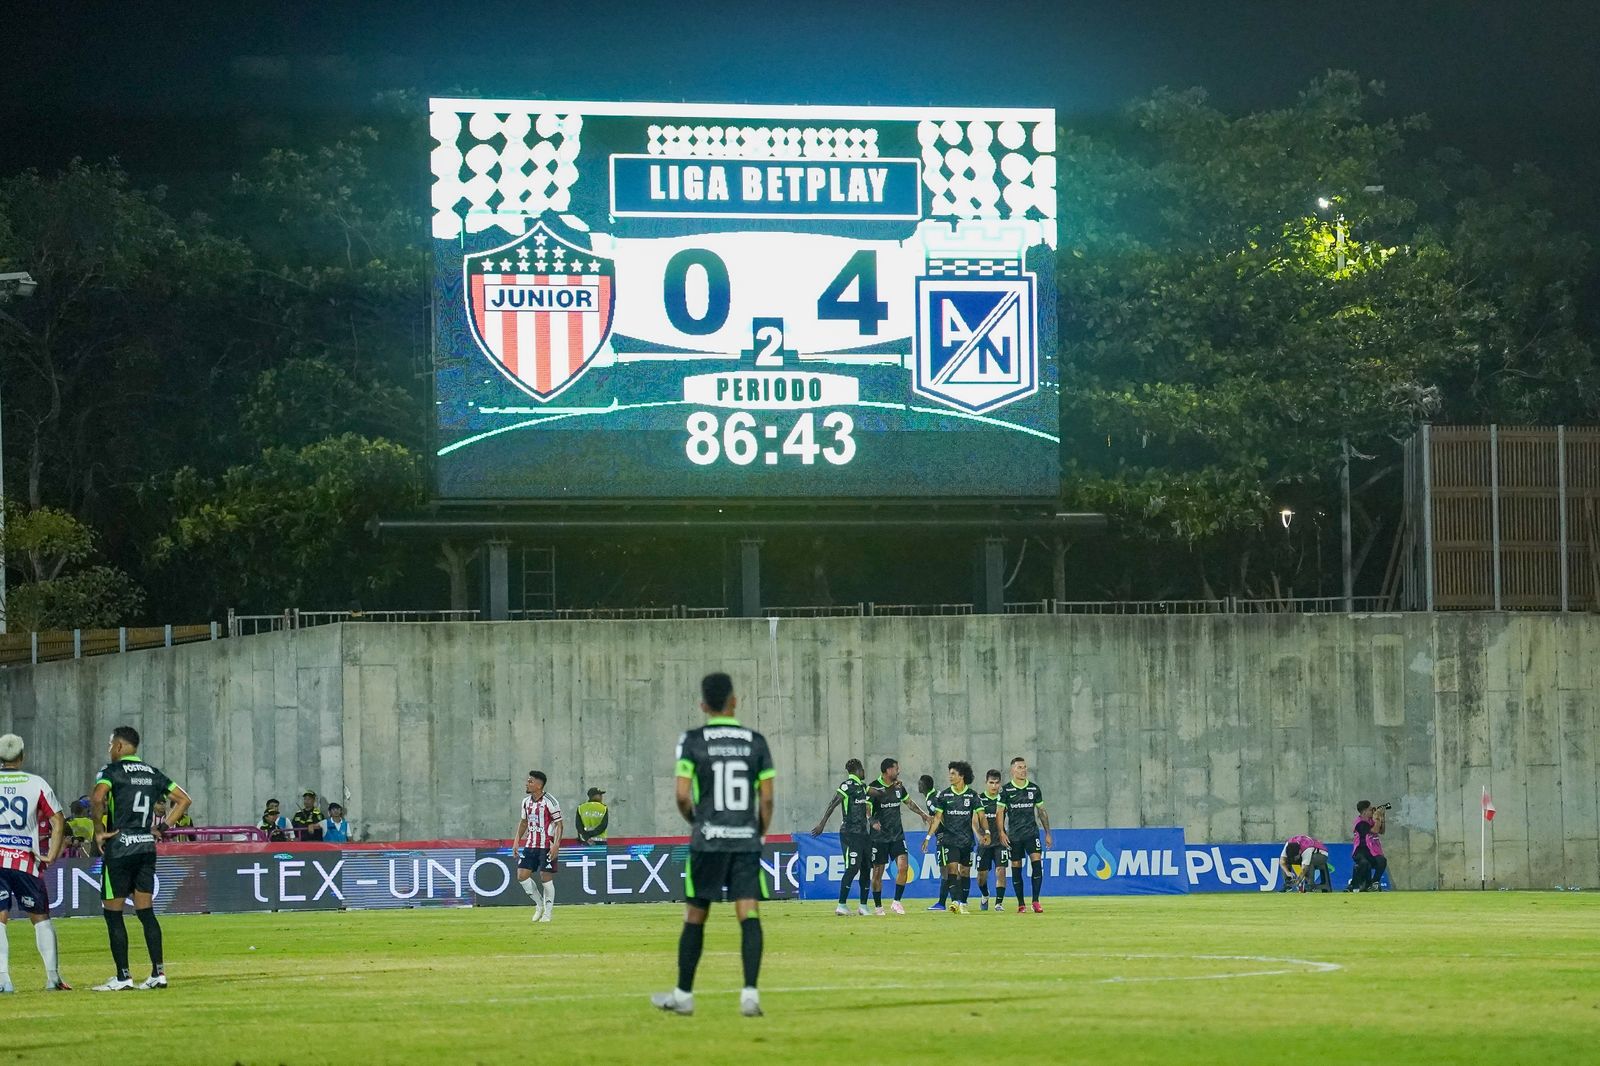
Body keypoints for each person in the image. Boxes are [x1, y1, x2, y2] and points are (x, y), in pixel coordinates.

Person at [652, 672, 774, 1019]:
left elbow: (680, 794)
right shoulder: (756, 742)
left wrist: (698, 822)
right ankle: (749, 995)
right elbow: (766, 801)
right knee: (748, 912)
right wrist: (758, 834)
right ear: (734, 701)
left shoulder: (692, 740)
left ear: (703, 705)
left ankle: (683, 995)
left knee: (694, 915)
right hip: (744, 841)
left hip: (707, 841)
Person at [90, 725, 191, 991]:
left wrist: (99, 831)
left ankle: (123, 977)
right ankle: (158, 973)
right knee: (146, 912)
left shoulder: (111, 771)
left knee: (113, 914)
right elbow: (183, 800)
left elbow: (98, 797)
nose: (110, 749)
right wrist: (162, 828)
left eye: (111, 744)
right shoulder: (152, 772)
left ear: (120, 746)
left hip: (121, 845)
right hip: (146, 844)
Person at [0, 733, 70, 993]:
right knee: (40, 917)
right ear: (22, 756)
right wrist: (51, 853)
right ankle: (53, 977)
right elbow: (58, 820)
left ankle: (3, 980)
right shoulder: (35, 782)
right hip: (25, 861)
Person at [810, 758, 873, 916]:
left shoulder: (862, 787)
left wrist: (892, 787)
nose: (864, 772)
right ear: (858, 770)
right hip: (850, 833)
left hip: (863, 833)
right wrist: (822, 824)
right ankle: (841, 905)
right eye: (863, 769)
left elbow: (878, 792)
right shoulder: (847, 786)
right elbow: (833, 803)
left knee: (866, 868)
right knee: (853, 867)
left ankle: (863, 906)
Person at [865, 758, 928, 915]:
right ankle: (878, 907)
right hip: (879, 838)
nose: (898, 771)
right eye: (896, 768)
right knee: (878, 872)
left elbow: (909, 802)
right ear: (888, 770)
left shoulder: (899, 787)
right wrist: (872, 821)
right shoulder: (874, 788)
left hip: (897, 835)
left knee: (903, 867)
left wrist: (923, 814)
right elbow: (866, 808)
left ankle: (896, 902)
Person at [920, 761, 983, 915]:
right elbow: (938, 817)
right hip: (949, 839)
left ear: (961, 776)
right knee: (950, 869)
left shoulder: (933, 798)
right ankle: (953, 901)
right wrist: (929, 835)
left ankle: (953, 902)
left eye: (953, 773)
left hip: (958, 839)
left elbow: (939, 819)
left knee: (957, 871)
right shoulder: (942, 795)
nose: (950, 776)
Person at [999, 756, 1052, 913]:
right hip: (1014, 836)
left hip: (1031, 833)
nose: (1023, 770)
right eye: (1020, 767)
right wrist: (1001, 832)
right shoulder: (1006, 790)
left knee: (1037, 863)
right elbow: (999, 812)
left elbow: (1041, 811)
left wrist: (1048, 833)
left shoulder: (1034, 789)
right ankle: (1021, 904)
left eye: (1024, 767)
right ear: (1012, 770)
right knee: (1016, 866)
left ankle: (1035, 901)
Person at [513, 771, 562, 922]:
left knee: (545, 878)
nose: (527, 784)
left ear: (539, 785)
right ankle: (539, 904)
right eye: (528, 781)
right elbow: (523, 822)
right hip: (530, 845)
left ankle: (548, 913)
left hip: (546, 845)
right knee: (522, 876)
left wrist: (556, 846)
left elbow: (559, 824)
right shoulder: (526, 802)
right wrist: (516, 841)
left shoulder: (550, 801)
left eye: (530, 781)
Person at [975, 769, 1010, 911]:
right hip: (985, 842)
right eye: (991, 783)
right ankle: (985, 894)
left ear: (1000, 784)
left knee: (1001, 870)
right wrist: (979, 837)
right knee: (981, 876)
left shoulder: (1003, 799)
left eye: (996, 783)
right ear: (986, 783)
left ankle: (998, 903)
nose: (994, 786)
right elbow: (974, 821)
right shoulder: (979, 799)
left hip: (1000, 841)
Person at [918, 773, 950, 911]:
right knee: (953, 869)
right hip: (950, 835)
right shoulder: (937, 794)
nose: (918, 786)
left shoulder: (931, 800)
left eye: (920, 783)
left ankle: (942, 903)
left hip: (944, 837)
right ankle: (959, 900)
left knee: (945, 869)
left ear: (924, 786)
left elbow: (940, 816)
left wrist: (944, 830)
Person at [1348, 800, 1389, 892]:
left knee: (1382, 860)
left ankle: (1374, 883)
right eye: (1370, 810)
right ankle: (1355, 884)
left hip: (1370, 851)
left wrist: (1382, 817)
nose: (1373, 811)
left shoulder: (1371, 820)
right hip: (1360, 851)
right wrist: (1377, 818)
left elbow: (1382, 831)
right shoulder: (1360, 823)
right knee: (1364, 863)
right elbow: (1374, 830)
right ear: (1364, 812)